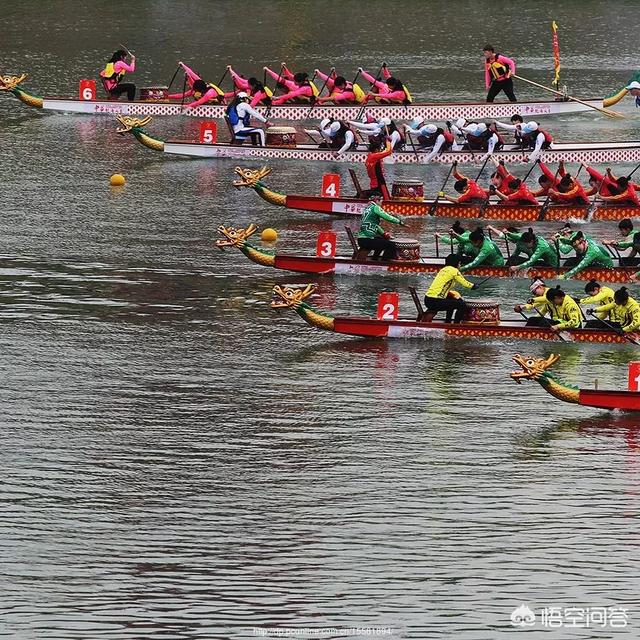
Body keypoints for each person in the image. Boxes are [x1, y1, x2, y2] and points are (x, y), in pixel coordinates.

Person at [424, 254, 478, 323]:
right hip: (436, 301)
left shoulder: (443, 269)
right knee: (462, 305)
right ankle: (456, 325)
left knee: (452, 300)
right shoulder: (454, 271)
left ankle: (448, 321)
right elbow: (464, 283)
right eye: (459, 263)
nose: (460, 265)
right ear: (456, 263)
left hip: (428, 300)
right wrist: (473, 286)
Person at [357, 193, 404, 260]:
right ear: (377, 200)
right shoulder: (375, 207)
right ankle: (384, 262)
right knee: (391, 245)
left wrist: (383, 234)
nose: (382, 202)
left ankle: (375, 259)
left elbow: (375, 225)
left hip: (362, 240)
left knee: (382, 240)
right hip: (367, 240)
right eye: (381, 200)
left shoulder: (367, 208)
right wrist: (400, 222)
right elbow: (387, 217)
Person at [486, 225, 558, 268]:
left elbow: (531, 261)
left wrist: (517, 268)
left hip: (551, 265)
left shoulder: (521, 237)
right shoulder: (520, 243)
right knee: (513, 259)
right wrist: (491, 228)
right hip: (535, 261)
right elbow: (502, 235)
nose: (511, 240)